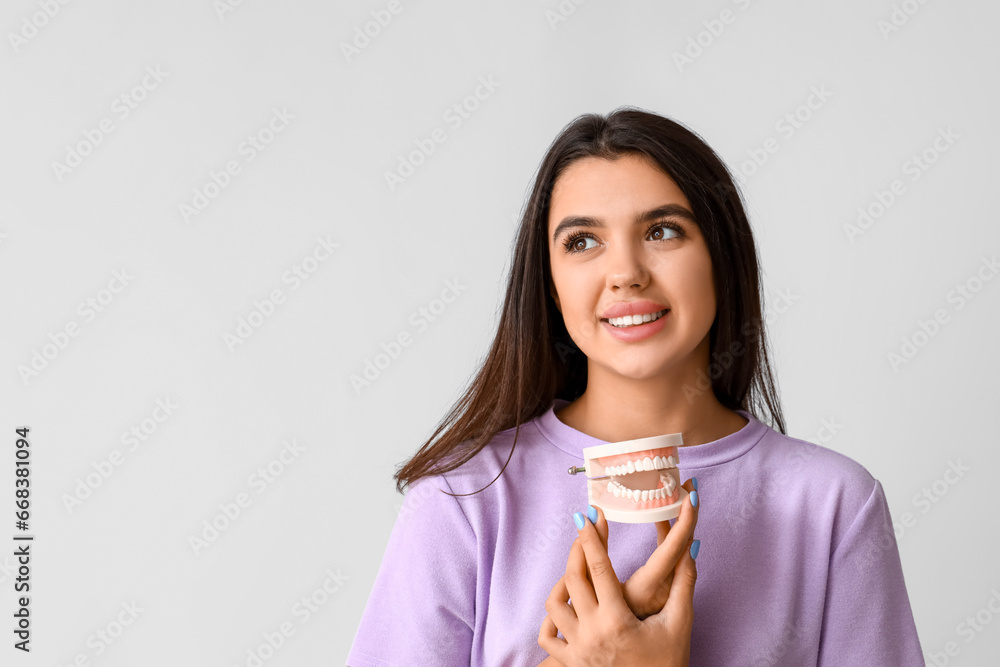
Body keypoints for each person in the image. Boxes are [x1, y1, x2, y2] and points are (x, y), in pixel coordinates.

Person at [346, 107, 924, 666]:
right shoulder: (463, 501)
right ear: (550, 285)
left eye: (662, 231)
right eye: (582, 241)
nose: (625, 272)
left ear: (721, 256)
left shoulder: (833, 505)